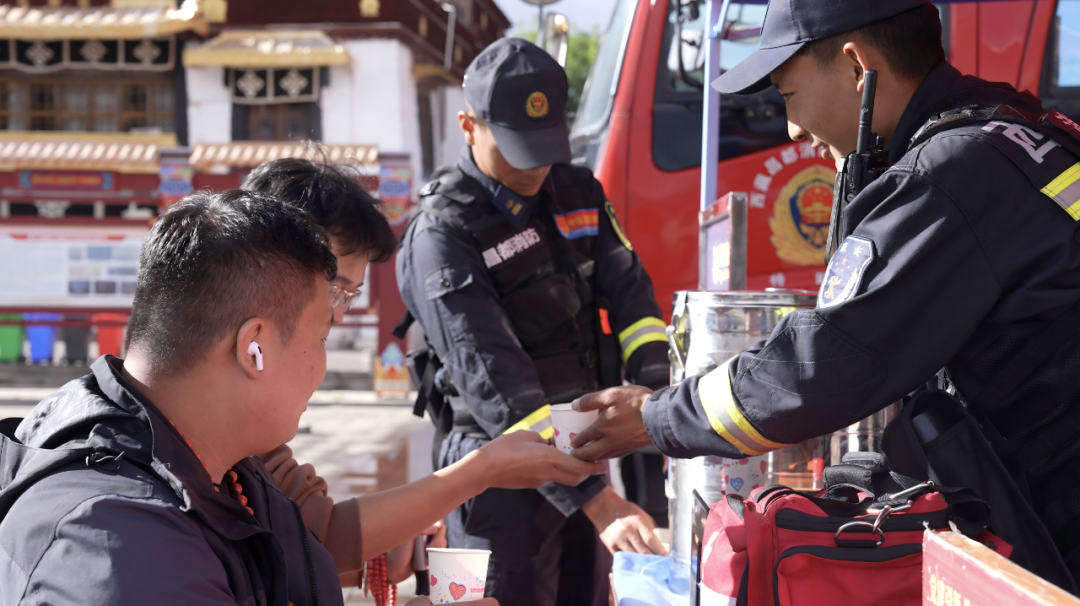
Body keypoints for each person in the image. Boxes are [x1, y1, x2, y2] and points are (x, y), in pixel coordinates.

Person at [569, 0, 1080, 590]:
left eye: (787, 95)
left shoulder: (949, 175)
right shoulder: (1014, 128)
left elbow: (821, 368)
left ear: (857, 67)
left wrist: (657, 416)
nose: (790, 129)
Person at [0, 189, 603, 605]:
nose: (322, 363)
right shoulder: (120, 548)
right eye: (321, 332)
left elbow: (314, 547)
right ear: (254, 347)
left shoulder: (223, 466)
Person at [396, 38, 670, 605]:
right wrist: (597, 499)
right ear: (468, 126)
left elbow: (633, 298)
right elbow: (493, 380)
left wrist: (659, 403)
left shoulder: (576, 191)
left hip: (576, 452)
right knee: (481, 601)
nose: (537, 168)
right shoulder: (441, 233)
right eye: (519, 149)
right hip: (486, 473)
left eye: (546, 148)